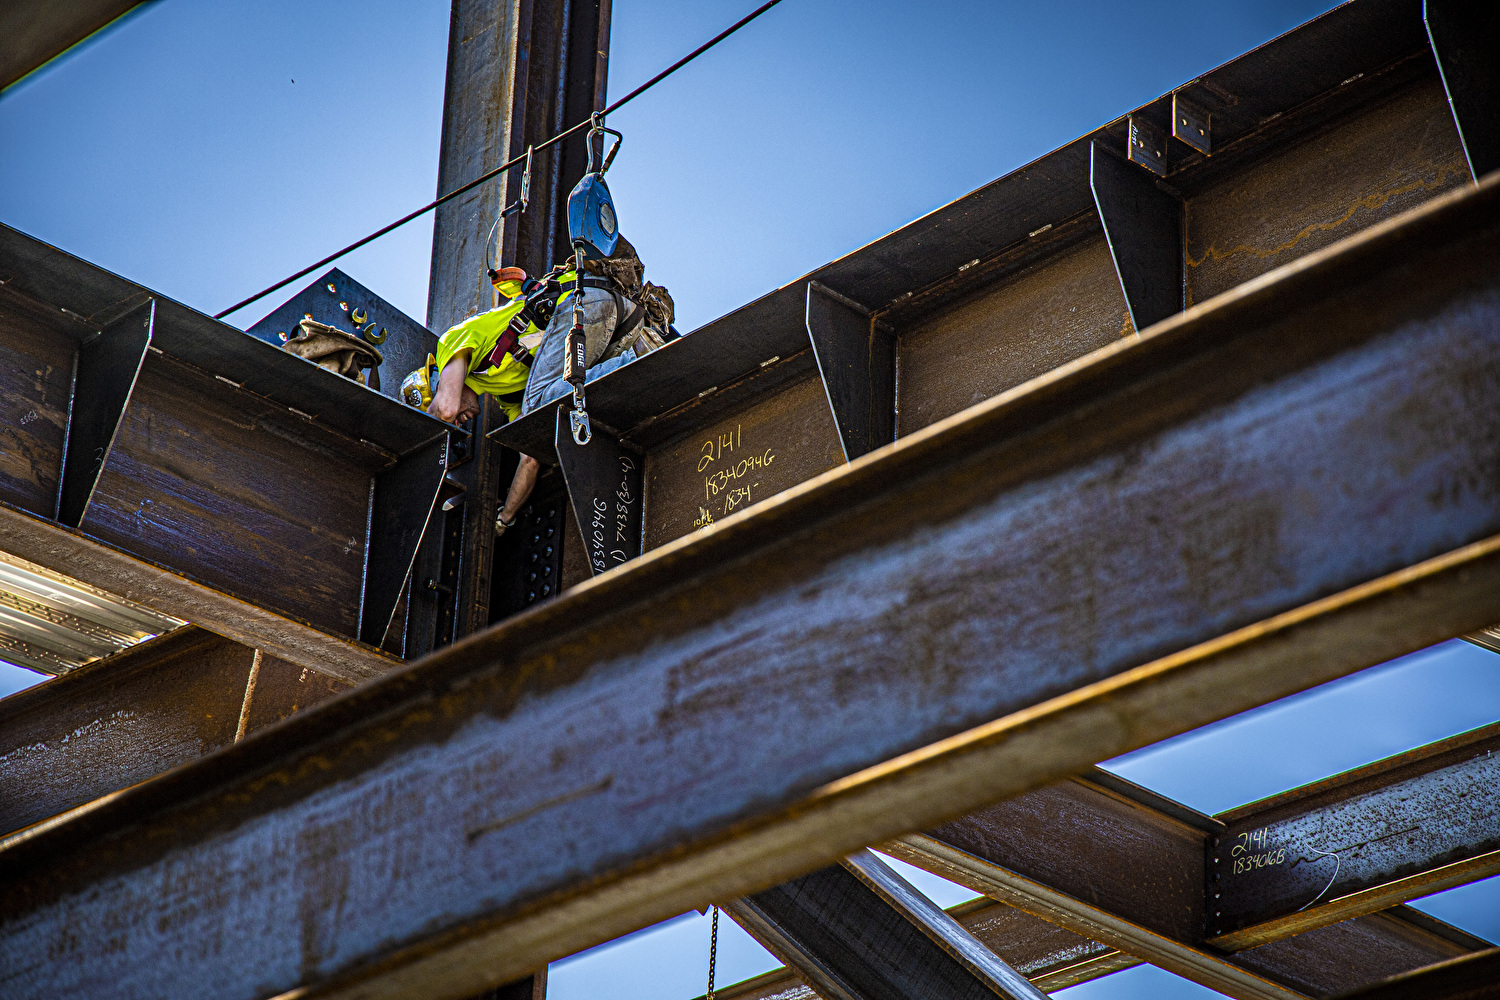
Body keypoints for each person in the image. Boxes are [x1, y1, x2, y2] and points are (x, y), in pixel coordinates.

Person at [426, 238, 673, 536]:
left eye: (438, 401)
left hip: (584, 303)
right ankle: (639, 351)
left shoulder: (452, 342)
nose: (456, 421)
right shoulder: (506, 395)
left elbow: (446, 407)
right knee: (540, 417)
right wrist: (505, 518)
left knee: (537, 407)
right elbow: (529, 458)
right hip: (620, 320)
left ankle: (636, 357)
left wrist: (430, 437)